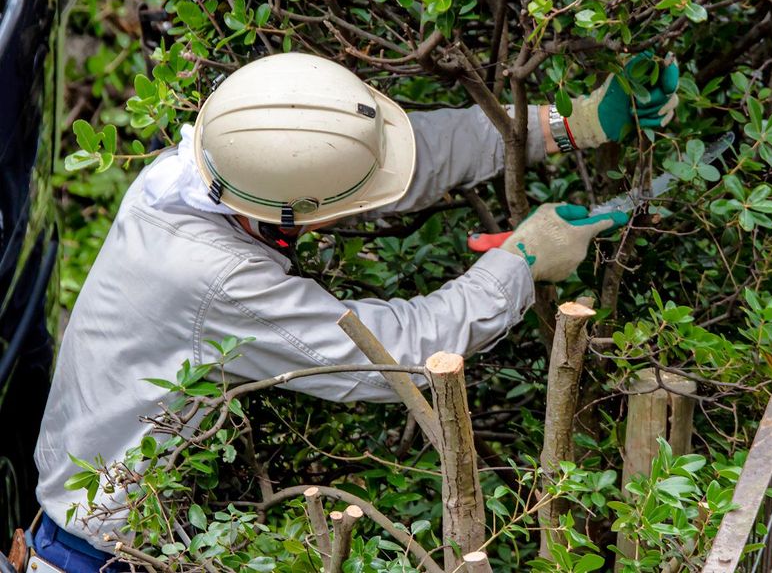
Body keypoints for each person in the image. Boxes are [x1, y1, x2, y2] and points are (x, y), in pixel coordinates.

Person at [32, 52, 678, 571]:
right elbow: (389, 358)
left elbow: (381, 161)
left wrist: (570, 123)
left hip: (105, 528)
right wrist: (521, 261)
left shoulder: (206, 166)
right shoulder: (212, 273)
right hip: (102, 554)